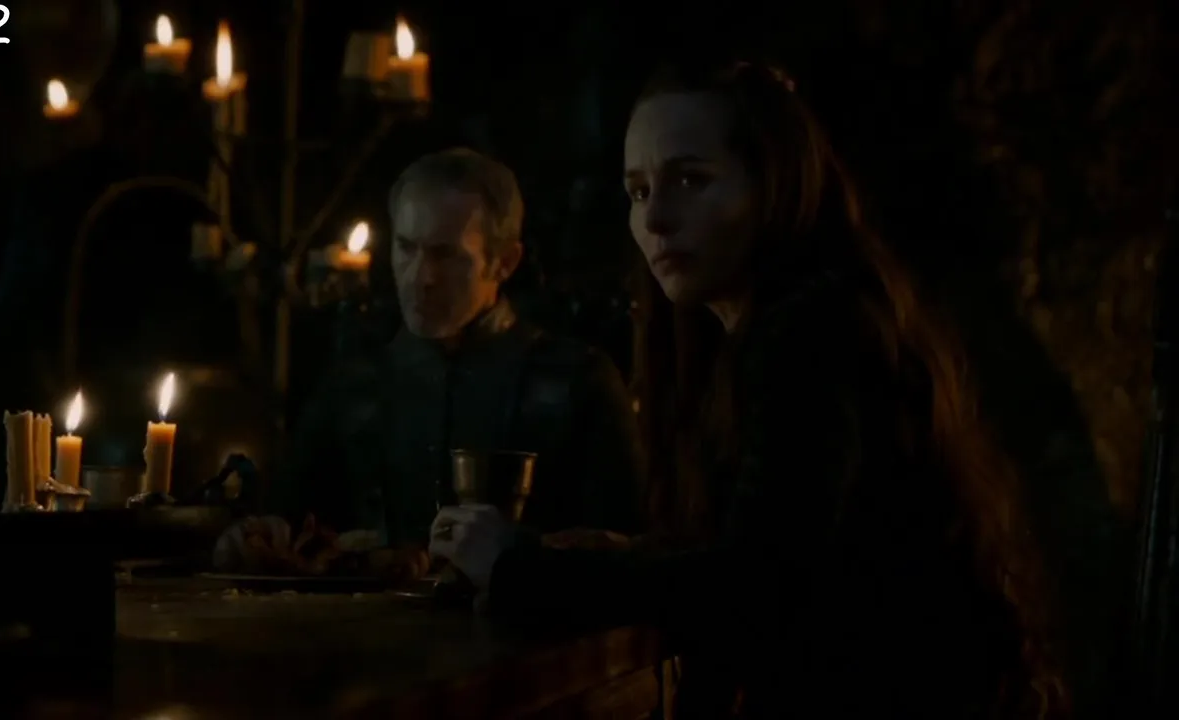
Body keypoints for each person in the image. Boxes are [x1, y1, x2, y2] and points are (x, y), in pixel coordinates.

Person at [429, 62, 1068, 717]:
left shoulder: (812, 331)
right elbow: (775, 542)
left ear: (774, 185)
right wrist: (636, 557)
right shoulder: (744, 339)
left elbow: (758, 581)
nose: (657, 219)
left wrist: (518, 569)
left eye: (690, 180)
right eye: (639, 191)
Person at [217, 148, 646, 572]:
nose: (421, 277)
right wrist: (258, 539)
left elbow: (628, 556)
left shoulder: (575, 382)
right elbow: (290, 517)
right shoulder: (356, 382)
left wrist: (522, 557)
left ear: (504, 262)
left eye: (447, 256)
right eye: (406, 248)